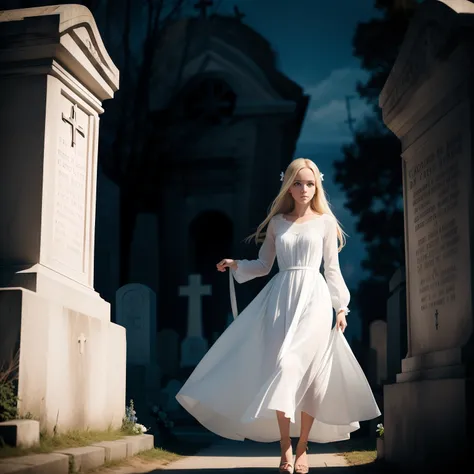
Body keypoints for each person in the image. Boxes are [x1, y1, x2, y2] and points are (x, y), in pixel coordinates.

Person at [176, 158, 381, 474]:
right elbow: (262, 265)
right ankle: (285, 445)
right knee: (283, 367)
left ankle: (302, 447)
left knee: (309, 373)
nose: (304, 189)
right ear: (288, 185)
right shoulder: (277, 223)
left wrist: (341, 307)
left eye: (310, 183)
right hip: (280, 300)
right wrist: (237, 265)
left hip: (314, 298)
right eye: (298, 183)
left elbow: (332, 269)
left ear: (317, 186)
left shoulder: (325, 223)